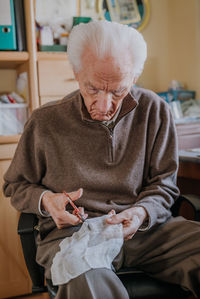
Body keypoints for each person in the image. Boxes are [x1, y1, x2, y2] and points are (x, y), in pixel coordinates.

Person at [3, 20, 200, 299]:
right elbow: (15, 185)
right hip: (74, 237)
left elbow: (164, 186)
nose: (105, 106)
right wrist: (47, 200)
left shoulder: (156, 111)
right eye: (93, 88)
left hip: (145, 232)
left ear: (133, 78)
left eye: (118, 90)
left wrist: (141, 213)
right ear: (76, 72)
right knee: (83, 278)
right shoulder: (44, 122)